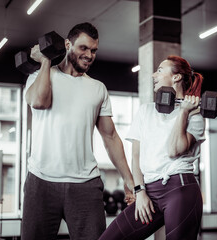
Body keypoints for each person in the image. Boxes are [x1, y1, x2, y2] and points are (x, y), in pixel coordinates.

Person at [21, 22, 135, 240]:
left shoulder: (97, 88)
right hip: (41, 180)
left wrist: (129, 180)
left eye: (93, 50)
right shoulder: (39, 77)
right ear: (67, 45)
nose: (89, 55)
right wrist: (46, 59)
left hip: (85, 184)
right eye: (83, 48)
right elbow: (38, 101)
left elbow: (110, 136)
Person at [99, 55, 205, 240]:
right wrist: (140, 192)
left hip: (180, 190)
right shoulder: (146, 110)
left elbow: (174, 149)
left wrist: (184, 112)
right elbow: (136, 155)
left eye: (160, 70)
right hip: (149, 191)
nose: (154, 75)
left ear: (176, 77)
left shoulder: (195, 116)